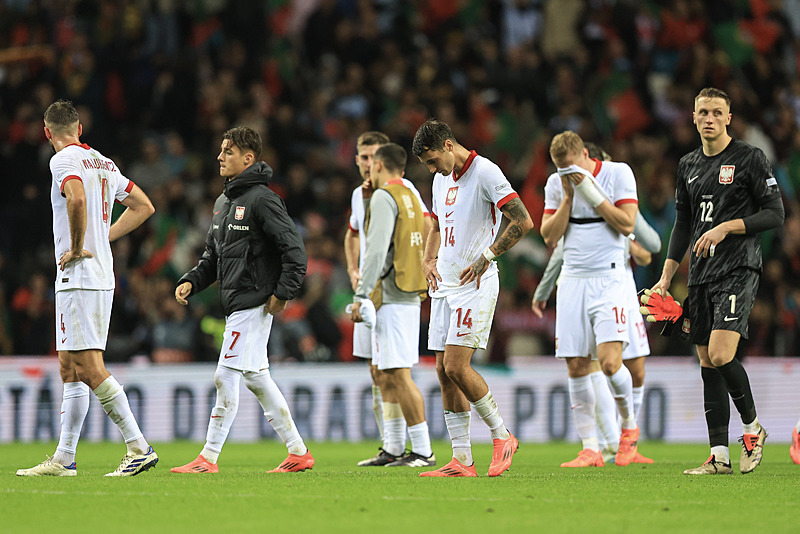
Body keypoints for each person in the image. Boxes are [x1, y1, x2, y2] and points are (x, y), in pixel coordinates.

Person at [17, 100, 158, 477]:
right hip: (97, 274)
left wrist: (79, 246)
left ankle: (138, 447)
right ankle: (65, 458)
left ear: (48, 133)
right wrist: (103, 236)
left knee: (89, 366)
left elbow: (75, 197)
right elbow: (144, 206)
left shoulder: (62, 161)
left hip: (80, 275)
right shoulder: (104, 162)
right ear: (80, 128)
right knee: (69, 367)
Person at [649, 87, 784, 475]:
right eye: (702, 112)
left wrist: (727, 227)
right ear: (693, 118)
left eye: (716, 112)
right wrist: (665, 276)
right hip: (701, 277)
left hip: (739, 268)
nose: (709, 118)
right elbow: (684, 224)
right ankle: (719, 456)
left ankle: (753, 429)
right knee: (708, 361)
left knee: (723, 354)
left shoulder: (749, 159)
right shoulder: (688, 164)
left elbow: (775, 214)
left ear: (729, 118)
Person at [170, 126, 312, 474]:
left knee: (224, 375)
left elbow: (294, 251)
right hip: (236, 303)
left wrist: (283, 293)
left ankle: (208, 457)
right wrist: (192, 279)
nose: (219, 156)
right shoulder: (223, 203)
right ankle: (298, 452)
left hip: (254, 302)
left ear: (248, 159)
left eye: (228, 152)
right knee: (257, 378)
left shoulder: (263, 199)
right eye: (220, 150)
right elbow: (212, 258)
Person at [412, 119, 533, 477]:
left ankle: (502, 435)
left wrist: (489, 256)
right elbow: (435, 224)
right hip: (444, 286)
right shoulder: (439, 179)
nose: (432, 169)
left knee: (456, 366)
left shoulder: (485, 173)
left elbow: (523, 221)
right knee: (442, 371)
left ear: (448, 145)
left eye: (433, 160)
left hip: (475, 284)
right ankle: (461, 459)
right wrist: (427, 258)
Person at [532, 142, 660, 464]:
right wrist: (569, 198)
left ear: (585, 156)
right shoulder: (555, 184)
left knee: (610, 363)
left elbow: (630, 227)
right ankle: (591, 447)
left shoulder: (618, 174)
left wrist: (591, 193)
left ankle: (628, 429)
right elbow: (550, 238)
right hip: (573, 282)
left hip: (611, 280)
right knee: (576, 365)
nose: (566, 173)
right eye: (560, 168)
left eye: (570, 166)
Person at [344, 131, 433, 465]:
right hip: (403, 289)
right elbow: (356, 237)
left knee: (398, 372)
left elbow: (378, 249)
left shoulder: (387, 196)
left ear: (378, 163)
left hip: (388, 292)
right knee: (384, 371)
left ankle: (423, 449)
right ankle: (394, 446)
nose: (368, 165)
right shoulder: (400, 193)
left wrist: (361, 292)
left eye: (372, 159)